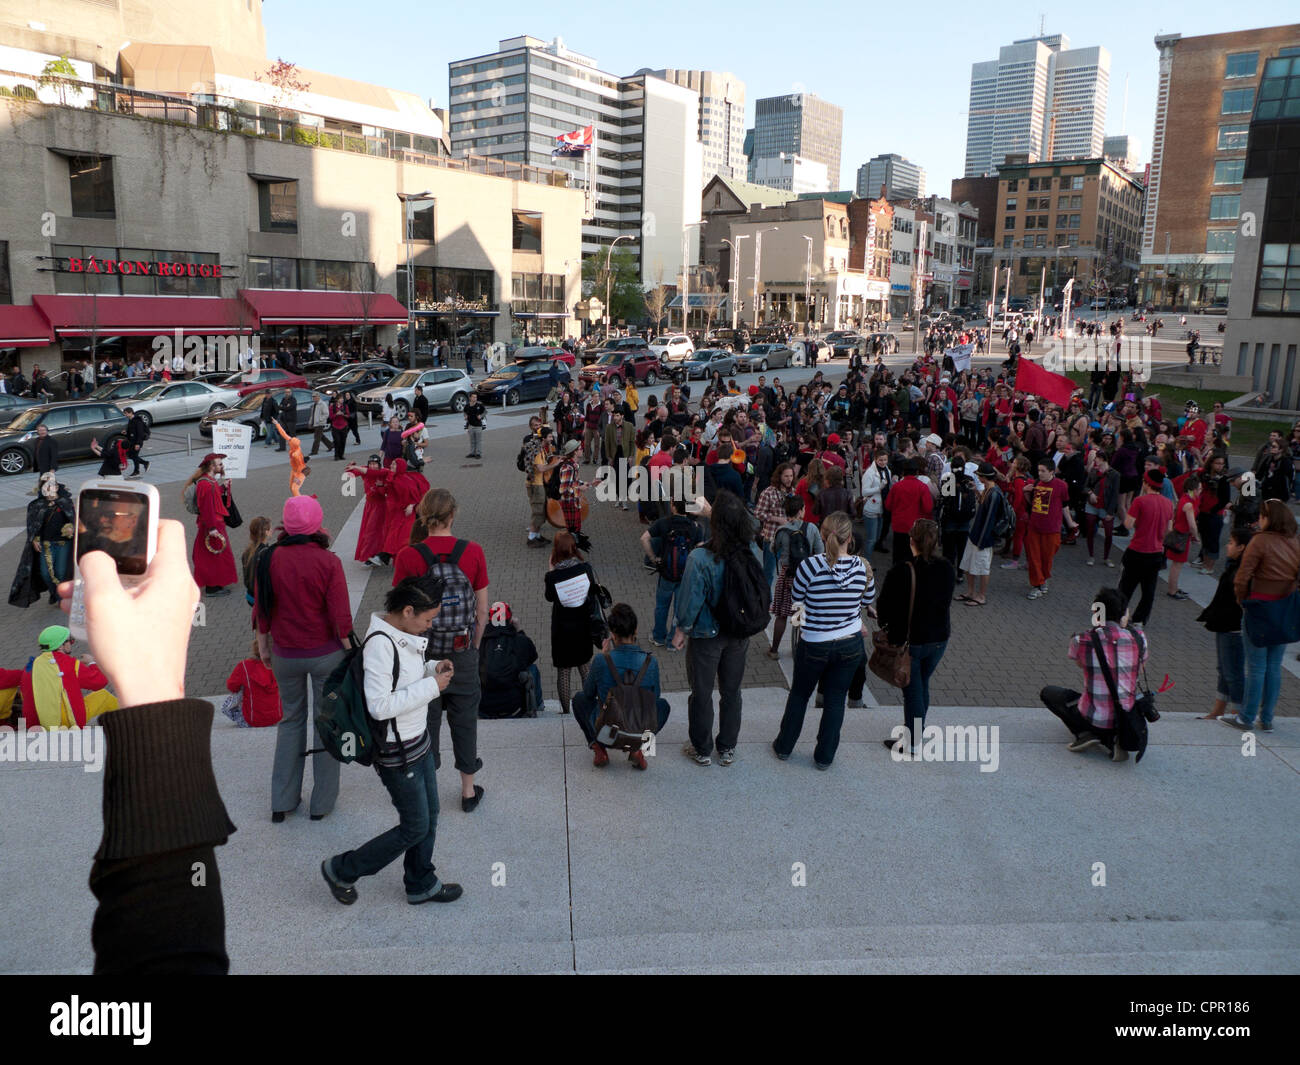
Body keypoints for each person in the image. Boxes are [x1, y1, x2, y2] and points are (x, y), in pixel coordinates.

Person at [320, 575, 463, 907]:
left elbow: (406, 672)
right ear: (408, 611)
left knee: (431, 814)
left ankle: (420, 882)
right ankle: (342, 869)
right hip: (398, 755)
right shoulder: (381, 645)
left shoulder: (401, 633)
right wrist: (433, 687)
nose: (429, 627)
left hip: (417, 742)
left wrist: (431, 668)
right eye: (427, 620)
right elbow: (379, 706)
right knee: (415, 826)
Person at [253, 496, 353, 822]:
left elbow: (261, 610)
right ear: (317, 525)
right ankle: (321, 804)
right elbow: (341, 619)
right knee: (326, 724)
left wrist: (263, 647)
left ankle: (282, 801)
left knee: (290, 721)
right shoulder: (328, 561)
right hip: (326, 655)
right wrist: (351, 652)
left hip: (285, 654)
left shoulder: (268, 558)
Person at [393, 488, 489, 813]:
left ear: (423, 516)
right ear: (452, 515)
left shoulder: (409, 556)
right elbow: (482, 613)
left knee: (425, 720)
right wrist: (472, 647)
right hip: (460, 652)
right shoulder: (473, 552)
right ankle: (467, 791)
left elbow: (399, 614)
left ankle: (426, 788)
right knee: (465, 719)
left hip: (424, 655)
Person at [772, 512, 874, 769]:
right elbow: (865, 601)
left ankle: (784, 747)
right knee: (836, 699)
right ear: (849, 538)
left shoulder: (808, 566)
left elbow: (798, 601)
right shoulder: (862, 567)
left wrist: (806, 623)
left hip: (815, 642)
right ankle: (824, 757)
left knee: (799, 695)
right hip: (850, 643)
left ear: (821, 532)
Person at [672, 490, 765, 767]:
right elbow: (752, 523)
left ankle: (702, 748)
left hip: (705, 635)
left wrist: (681, 630)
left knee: (701, 692)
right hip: (738, 633)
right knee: (732, 692)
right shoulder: (750, 550)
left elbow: (690, 601)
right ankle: (727, 747)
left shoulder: (700, 558)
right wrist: (722, 512)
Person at [1039, 587, 1148, 762]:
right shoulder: (1139, 638)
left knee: (1050, 693)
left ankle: (1086, 733)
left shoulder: (1081, 640)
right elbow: (1140, 669)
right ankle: (1113, 738)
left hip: (1094, 717)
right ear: (1124, 613)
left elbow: (1080, 664)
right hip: (1126, 717)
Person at [877, 519, 954, 756]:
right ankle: (915, 730)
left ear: (912, 540)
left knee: (912, 690)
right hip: (939, 637)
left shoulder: (902, 570)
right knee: (921, 684)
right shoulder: (947, 568)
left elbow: (884, 607)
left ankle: (911, 742)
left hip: (912, 641)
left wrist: (886, 626)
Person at [1226, 500, 1300, 732]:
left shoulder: (1259, 541)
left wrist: (1242, 601)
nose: (1259, 519)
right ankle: (1267, 718)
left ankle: (1246, 717)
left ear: (1270, 518)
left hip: (1259, 608)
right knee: (1274, 666)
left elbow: (1242, 577)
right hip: (1284, 610)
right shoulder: (1295, 542)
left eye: (1262, 515)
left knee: (1256, 667)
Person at [571, 602, 671, 770]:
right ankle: (639, 749)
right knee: (663, 706)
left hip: (607, 734)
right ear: (636, 630)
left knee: (579, 699)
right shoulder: (650, 662)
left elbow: (588, 694)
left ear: (612, 634)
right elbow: (656, 698)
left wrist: (603, 656)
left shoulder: (601, 661)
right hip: (638, 730)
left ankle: (599, 748)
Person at [18, 623, 117, 728]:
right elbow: (99, 682)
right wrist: (92, 663)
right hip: (69, 720)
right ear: (61, 645)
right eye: (70, 640)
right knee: (104, 696)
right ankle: (131, 721)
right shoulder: (70, 664)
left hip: (38, 724)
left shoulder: (31, 666)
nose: (71, 643)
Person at [1197, 527, 1250, 722]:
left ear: (1242, 547)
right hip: (1224, 624)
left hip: (1233, 627)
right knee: (1224, 669)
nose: (1227, 545)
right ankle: (1218, 710)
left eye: (1231, 543)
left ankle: (1238, 712)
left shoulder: (1243, 570)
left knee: (1233, 671)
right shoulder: (1234, 566)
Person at [544, 531, 598, 714]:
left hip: (562, 630)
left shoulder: (553, 577)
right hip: (583, 626)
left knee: (564, 671)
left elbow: (549, 597)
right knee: (585, 667)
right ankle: (591, 704)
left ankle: (566, 711)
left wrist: (551, 571)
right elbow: (591, 591)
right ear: (574, 548)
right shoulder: (585, 569)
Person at [641, 498, 706, 647]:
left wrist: (653, 558)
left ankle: (658, 637)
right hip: (685, 574)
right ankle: (672, 641)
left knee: (661, 606)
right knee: (679, 608)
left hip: (666, 572)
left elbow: (644, 539)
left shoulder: (663, 523)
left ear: (673, 506)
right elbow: (701, 550)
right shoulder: (696, 527)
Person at [767, 494, 824, 659]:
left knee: (781, 615)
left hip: (786, 574)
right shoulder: (812, 528)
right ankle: (798, 649)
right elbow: (820, 552)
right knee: (800, 612)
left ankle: (774, 650)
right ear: (800, 511)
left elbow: (773, 549)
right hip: (806, 575)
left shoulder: (781, 530)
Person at [1117, 468, 1175, 628]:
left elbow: (1128, 524)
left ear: (1146, 483)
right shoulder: (1168, 503)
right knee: (1148, 591)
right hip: (1156, 552)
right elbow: (1169, 529)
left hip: (1137, 550)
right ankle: (1139, 620)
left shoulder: (1139, 501)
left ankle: (1119, 617)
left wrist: (1139, 522)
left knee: (1125, 588)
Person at [9, 473, 75, 607]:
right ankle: (54, 593)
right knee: (46, 574)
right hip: (46, 545)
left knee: (61, 572)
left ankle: (61, 598)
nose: (49, 489)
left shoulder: (65, 502)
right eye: (46, 487)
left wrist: (71, 528)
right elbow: (32, 527)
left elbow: (74, 520)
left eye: (52, 486)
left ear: (56, 487)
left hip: (63, 544)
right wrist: (33, 540)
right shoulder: (36, 505)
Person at [185, 453, 238, 597]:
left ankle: (216, 583)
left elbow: (213, 497)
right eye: (219, 464)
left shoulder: (209, 482)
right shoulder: (205, 484)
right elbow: (207, 508)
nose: (222, 466)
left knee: (214, 556)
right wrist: (212, 528)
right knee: (213, 557)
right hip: (212, 525)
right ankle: (212, 587)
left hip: (213, 524)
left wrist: (223, 487)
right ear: (211, 466)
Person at [477, 602, 542, 718]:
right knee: (533, 668)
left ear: (490, 620)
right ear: (510, 619)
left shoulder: (479, 642)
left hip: (484, 708)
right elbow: (532, 656)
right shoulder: (520, 640)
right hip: (514, 707)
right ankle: (537, 705)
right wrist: (519, 630)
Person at [1024, 459, 1078, 599]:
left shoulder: (1061, 486)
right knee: (1034, 557)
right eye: (1039, 470)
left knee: (1047, 558)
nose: (1040, 473)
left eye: (1043, 471)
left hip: (1052, 529)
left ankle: (1043, 579)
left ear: (1052, 472)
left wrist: (1070, 523)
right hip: (1034, 526)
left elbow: (1065, 506)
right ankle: (1037, 584)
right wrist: (1026, 492)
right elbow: (1032, 504)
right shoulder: (1036, 483)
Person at [958, 463, 1005, 606]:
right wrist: (977, 492)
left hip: (982, 538)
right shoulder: (987, 490)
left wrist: (982, 539)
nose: (977, 477)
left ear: (983, 477)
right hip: (975, 535)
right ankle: (971, 592)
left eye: (979, 475)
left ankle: (981, 596)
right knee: (967, 564)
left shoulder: (994, 494)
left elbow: (989, 519)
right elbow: (983, 506)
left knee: (983, 567)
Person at [222, 637, 283, 728]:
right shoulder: (281, 664)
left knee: (228, 703)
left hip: (251, 720)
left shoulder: (244, 666)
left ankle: (243, 717)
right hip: (276, 718)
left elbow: (232, 687)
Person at [345, 455, 393, 565]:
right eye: (370, 463)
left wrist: (357, 468)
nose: (372, 466)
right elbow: (349, 474)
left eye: (375, 464)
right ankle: (372, 554)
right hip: (369, 505)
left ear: (379, 464)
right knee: (368, 530)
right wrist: (351, 466)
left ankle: (373, 555)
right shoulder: (365, 470)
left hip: (381, 505)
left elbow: (373, 474)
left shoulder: (384, 472)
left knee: (372, 531)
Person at [884, 457, 933, 565]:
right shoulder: (922, 487)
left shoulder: (897, 486)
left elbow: (888, 506)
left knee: (898, 554)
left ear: (903, 472)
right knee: (913, 555)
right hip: (915, 527)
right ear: (917, 472)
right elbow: (928, 508)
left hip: (899, 525)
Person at [1164, 473, 1202, 601]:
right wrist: (1196, 537)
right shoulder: (1189, 504)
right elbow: (1192, 525)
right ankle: (1172, 590)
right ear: (1194, 490)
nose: (1200, 491)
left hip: (1180, 535)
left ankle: (1174, 587)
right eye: (1199, 489)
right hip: (1182, 536)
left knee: (1177, 564)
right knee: (1177, 565)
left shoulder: (1185, 499)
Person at [1082, 450, 1120, 568]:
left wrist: (1111, 512)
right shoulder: (1093, 471)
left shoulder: (1114, 474)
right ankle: (1091, 555)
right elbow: (1085, 486)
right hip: (1092, 505)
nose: (1094, 461)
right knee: (1090, 530)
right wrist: (1090, 493)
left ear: (1103, 459)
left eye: (1096, 458)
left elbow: (1115, 494)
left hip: (1105, 506)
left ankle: (1106, 557)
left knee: (1109, 534)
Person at [240, 516, 272, 607]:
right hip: (261, 598)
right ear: (266, 532)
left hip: (250, 595)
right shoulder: (266, 553)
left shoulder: (247, 551)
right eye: (270, 528)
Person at [272, 419, 309, 496]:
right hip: (294, 470)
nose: (288, 441)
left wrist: (296, 477)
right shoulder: (293, 445)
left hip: (300, 472)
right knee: (291, 487)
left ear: (292, 445)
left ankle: (301, 504)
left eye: (290, 441)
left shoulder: (296, 454)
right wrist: (277, 424)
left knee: (294, 489)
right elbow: (284, 434)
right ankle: (297, 502)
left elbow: (300, 467)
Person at [121, 408, 151, 478]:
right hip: (132, 441)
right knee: (132, 455)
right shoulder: (131, 420)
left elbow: (139, 433)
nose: (125, 415)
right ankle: (145, 463)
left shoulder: (138, 421)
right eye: (124, 413)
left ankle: (137, 471)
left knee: (134, 456)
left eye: (126, 413)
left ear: (131, 413)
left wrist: (138, 444)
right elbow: (132, 431)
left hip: (137, 442)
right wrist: (126, 433)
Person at [32, 422, 58, 496]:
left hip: (48, 467)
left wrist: (52, 468)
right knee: (46, 484)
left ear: (47, 431)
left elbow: (54, 456)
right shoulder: (37, 440)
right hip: (41, 466)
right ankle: (46, 498)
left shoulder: (52, 441)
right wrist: (34, 465)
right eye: (40, 430)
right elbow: (37, 453)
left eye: (44, 430)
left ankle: (44, 498)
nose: (42, 432)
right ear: (37, 432)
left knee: (45, 484)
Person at [307, 391, 330, 457]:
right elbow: (312, 415)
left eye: (315, 397)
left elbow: (326, 414)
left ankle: (314, 451)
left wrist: (320, 420)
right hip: (315, 423)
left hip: (320, 423)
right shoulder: (314, 405)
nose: (314, 398)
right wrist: (310, 422)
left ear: (318, 397)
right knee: (321, 437)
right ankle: (331, 445)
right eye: (313, 397)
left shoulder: (322, 404)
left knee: (316, 438)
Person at [464, 392, 486, 459]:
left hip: (478, 426)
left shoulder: (479, 405)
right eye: (473, 397)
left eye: (476, 397)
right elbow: (464, 412)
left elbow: (485, 412)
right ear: (470, 398)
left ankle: (478, 454)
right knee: (472, 441)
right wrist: (465, 416)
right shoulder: (467, 406)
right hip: (470, 426)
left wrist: (481, 416)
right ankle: (472, 453)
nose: (475, 398)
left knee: (478, 441)